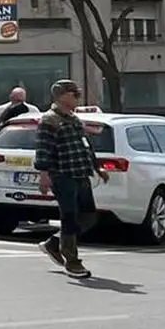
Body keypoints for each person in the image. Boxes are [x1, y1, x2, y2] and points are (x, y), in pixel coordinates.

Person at [34, 79, 103, 280]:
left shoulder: (73, 118)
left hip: (81, 173)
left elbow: (84, 145)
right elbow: (43, 149)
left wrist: (97, 167)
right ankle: (72, 261)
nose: (78, 98)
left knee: (89, 216)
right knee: (70, 217)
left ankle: (54, 242)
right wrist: (44, 175)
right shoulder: (49, 120)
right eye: (75, 95)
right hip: (62, 174)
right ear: (62, 96)